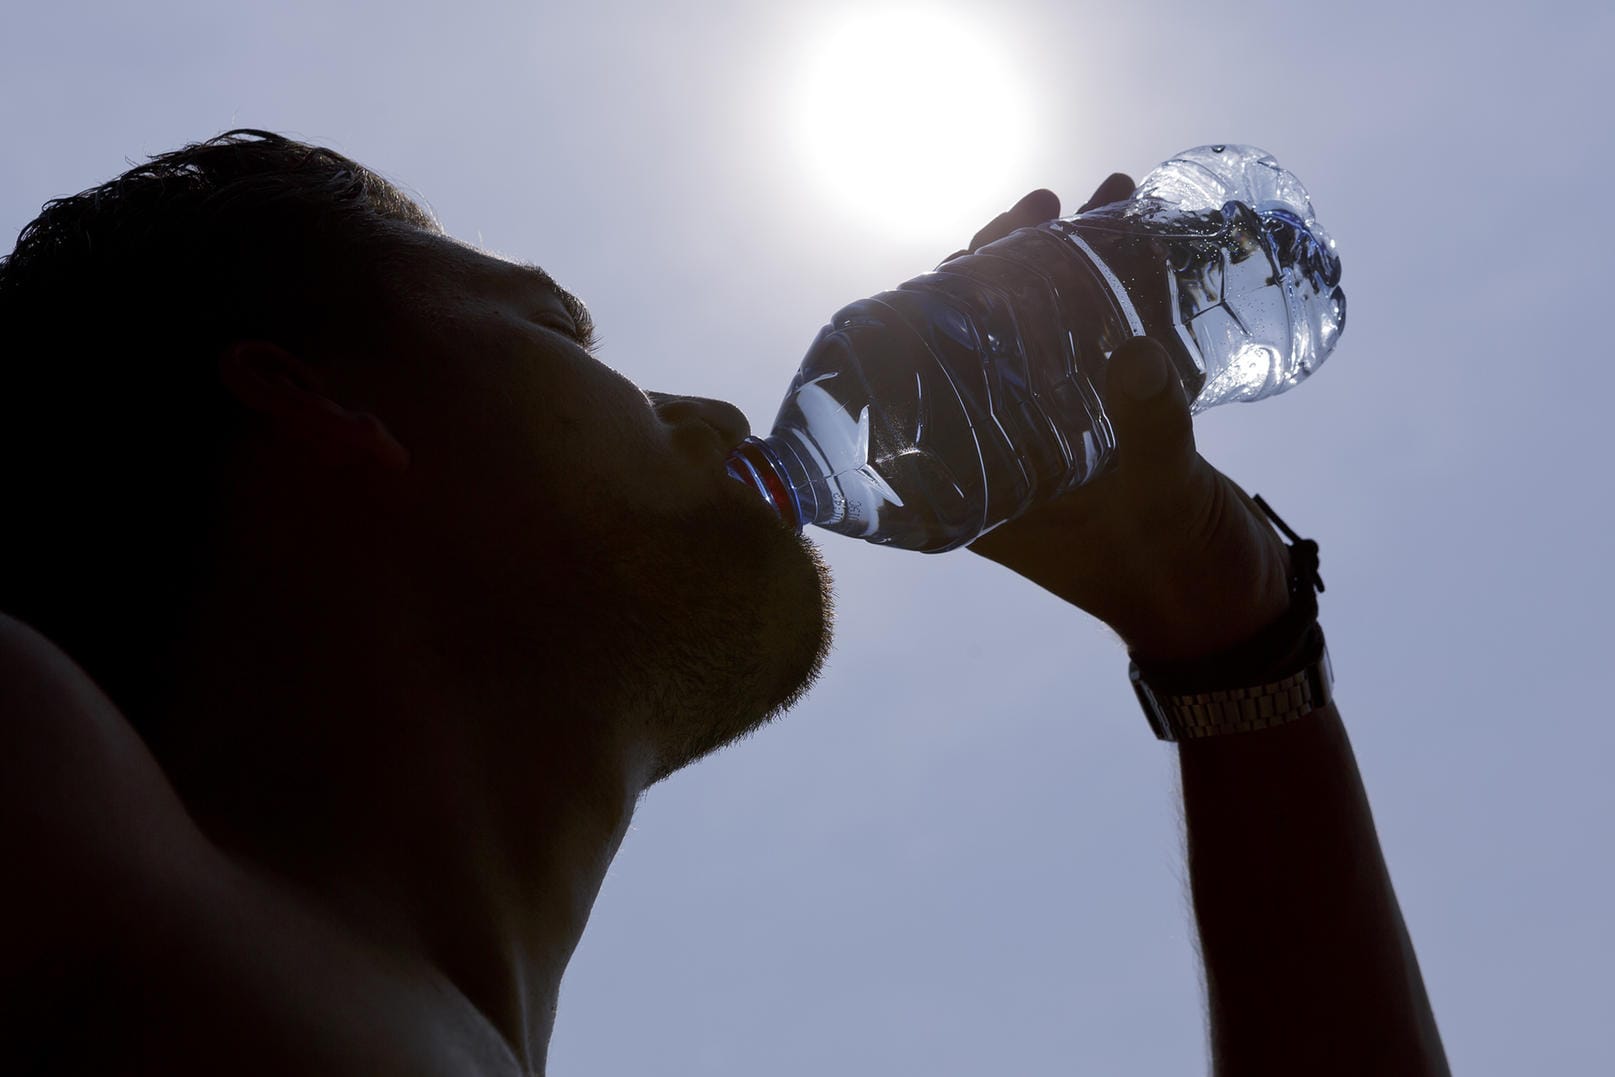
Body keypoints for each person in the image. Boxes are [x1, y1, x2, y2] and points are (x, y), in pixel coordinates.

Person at [0, 130, 1449, 1076]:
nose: (698, 406)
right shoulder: (63, 818)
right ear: (317, 401)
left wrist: (1231, 640)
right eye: (561, 331)